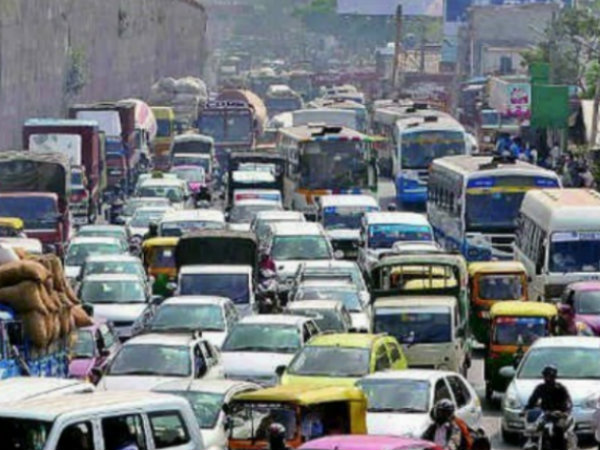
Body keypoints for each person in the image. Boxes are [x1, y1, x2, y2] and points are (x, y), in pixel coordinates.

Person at [525, 365, 572, 450]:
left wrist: (565, 412)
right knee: (534, 429)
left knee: (559, 430)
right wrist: (526, 410)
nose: (547, 378)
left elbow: (568, 402)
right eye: (545, 375)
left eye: (550, 376)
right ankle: (534, 442)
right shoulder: (540, 388)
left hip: (559, 415)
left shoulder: (560, 388)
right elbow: (532, 401)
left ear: (554, 377)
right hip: (545, 414)